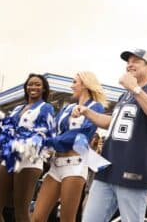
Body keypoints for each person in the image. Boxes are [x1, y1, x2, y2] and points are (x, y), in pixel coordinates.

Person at [78, 49, 147, 222]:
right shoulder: (125, 94)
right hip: (109, 167)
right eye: (128, 61)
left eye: (136, 61)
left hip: (134, 168)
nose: (130, 64)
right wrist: (87, 112)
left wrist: (135, 88)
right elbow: (113, 121)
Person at [32, 71, 106, 222]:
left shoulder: (95, 107)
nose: (71, 86)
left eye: (74, 82)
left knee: (67, 219)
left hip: (75, 167)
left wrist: (49, 141)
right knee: (37, 218)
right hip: (55, 165)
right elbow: (52, 130)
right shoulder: (68, 107)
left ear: (85, 84)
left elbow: (80, 136)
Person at [0, 73, 55, 222]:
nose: (33, 87)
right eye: (30, 84)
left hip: (29, 160)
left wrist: (26, 140)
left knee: (21, 213)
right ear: (26, 87)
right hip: (9, 159)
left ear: (43, 89)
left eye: (37, 84)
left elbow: (48, 135)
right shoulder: (17, 108)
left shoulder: (46, 107)